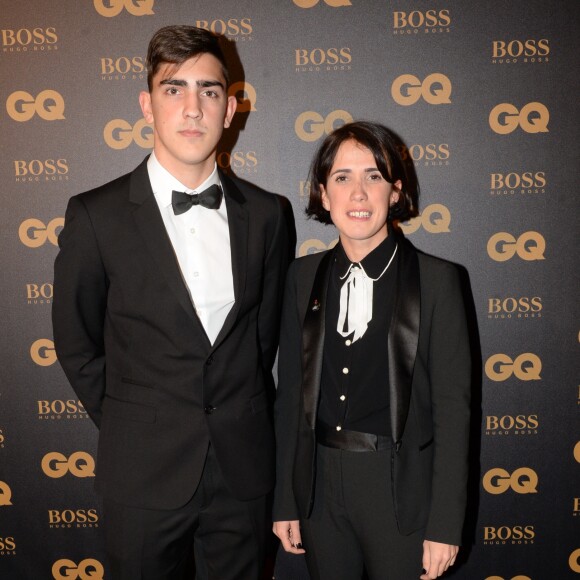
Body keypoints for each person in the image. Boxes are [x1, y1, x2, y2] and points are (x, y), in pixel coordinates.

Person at [52, 25, 290, 579]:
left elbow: (263, 340)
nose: (192, 108)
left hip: (243, 476)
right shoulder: (96, 216)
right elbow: (76, 344)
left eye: (208, 91)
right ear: (146, 104)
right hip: (140, 473)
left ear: (230, 109)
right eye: (172, 89)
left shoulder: (268, 215)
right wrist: (133, 425)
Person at [273, 121, 471, 580]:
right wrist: (286, 498)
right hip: (319, 490)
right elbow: (288, 399)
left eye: (374, 176)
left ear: (396, 192)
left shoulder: (438, 281)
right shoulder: (301, 279)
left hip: (399, 492)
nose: (358, 193)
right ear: (324, 194)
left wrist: (445, 524)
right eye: (342, 178)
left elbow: (453, 412)